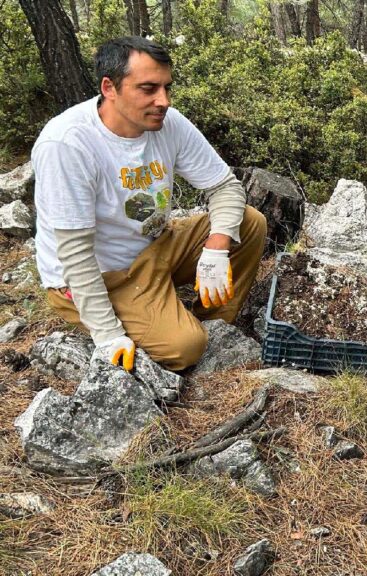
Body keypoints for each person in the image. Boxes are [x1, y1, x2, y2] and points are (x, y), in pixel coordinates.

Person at [32, 36, 267, 372]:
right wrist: (109, 334)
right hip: (106, 273)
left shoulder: (167, 123)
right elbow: (75, 254)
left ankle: (212, 322)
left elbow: (225, 187)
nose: (164, 100)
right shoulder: (67, 144)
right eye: (148, 88)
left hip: (155, 246)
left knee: (248, 222)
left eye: (166, 87)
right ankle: (173, 324)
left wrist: (215, 249)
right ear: (109, 88)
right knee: (185, 347)